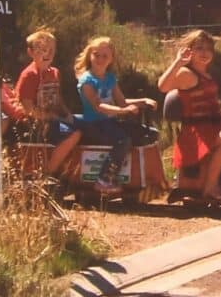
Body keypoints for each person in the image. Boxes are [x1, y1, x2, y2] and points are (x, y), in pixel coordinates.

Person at [157, 30, 221, 201]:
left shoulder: (207, 74)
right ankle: (210, 186)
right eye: (199, 48)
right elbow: (163, 86)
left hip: (211, 125)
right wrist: (178, 62)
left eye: (208, 49)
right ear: (189, 51)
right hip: (197, 131)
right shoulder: (186, 74)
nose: (204, 52)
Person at [74, 36, 157, 194]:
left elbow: (122, 101)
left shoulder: (110, 78)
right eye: (96, 55)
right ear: (89, 55)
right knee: (122, 140)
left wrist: (143, 101)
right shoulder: (86, 81)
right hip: (94, 124)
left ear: (111, 58)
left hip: (110, 122)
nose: (100, 59)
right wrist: (123, 111)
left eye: (105, 56)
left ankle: (140, 177)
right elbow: (99, 107)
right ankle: (104, 179)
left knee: (149, 134)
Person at [15, 29, 82, 175]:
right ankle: (48, 172)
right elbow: (28, 109)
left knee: (84, 123)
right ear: (31, 52)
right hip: (35, 123)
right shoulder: (29, 75)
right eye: (42, 50)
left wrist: (67, 115)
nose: (47, 54)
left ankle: (72, 171)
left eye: (51, 50)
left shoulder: (54, 73)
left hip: (53, 118)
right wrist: (53, 117)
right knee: (73, 134)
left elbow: (57, 100)